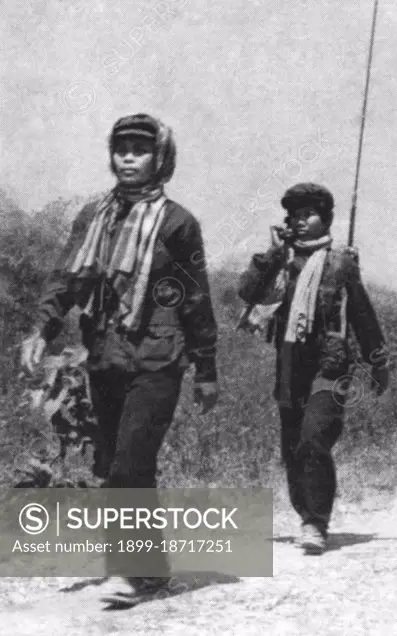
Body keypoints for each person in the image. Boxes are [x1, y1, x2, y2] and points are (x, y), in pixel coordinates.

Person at [20, 113, 219, 603]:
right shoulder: (94, 217)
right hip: (105, 357)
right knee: (115, 464)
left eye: (140, 149)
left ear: (161, 158)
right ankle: (147, 571)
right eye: (121, 148)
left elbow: (196, 300)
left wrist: (207, 370)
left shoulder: (178, 224)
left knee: (132, 461)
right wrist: (41, 332)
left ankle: (130, 574)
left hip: (158, 359)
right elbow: (66, 279)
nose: (128, 157)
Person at [237, 182, 388, 555]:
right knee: (292, 447)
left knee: (314, 437)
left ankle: (316, 522)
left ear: (326, 219)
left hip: (330, 365)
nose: (302, 221)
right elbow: (248, 293)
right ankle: (305, 512)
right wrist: (272, 254)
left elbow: (363, 316)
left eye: (310, 214)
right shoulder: (281, 262)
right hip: (289, 365)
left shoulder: (341, 263)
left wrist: (377, 362)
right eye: (296, 215)